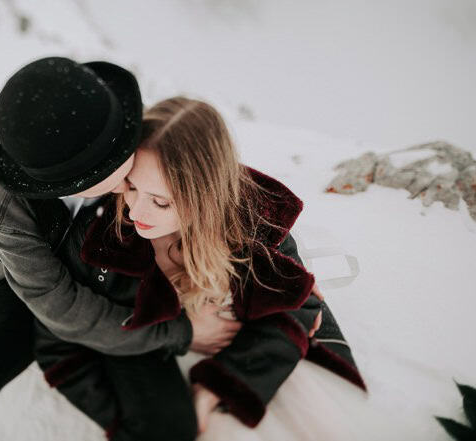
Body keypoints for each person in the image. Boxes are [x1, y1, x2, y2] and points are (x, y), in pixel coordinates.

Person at [0, 58, 238, 441]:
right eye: (119, 178)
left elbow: (215, 180)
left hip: (121, 293)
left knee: (168, 428)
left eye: (125, 156)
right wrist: (178, 333)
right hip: (24, 288)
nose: (126, 194)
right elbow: (51, 301)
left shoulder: (124, 128)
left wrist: (301, 289)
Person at [36, 97, 371, 439]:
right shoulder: (101, 235)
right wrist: (132, 423)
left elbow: (293, 310)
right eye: (133, 187)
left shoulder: (253, 222)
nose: (136, 211)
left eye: (161, 201)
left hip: (243, 369)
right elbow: (58, 338)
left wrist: (212, 391)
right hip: (137, 362)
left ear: (206, 197)